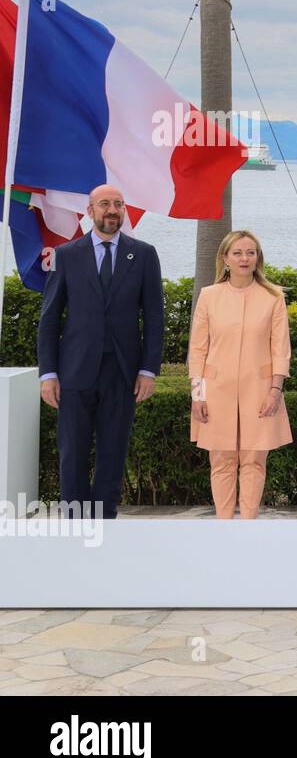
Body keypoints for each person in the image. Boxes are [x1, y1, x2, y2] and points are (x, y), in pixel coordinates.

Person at [37, 184, 164, 518]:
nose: (112, 210)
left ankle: (105, 521)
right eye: (105, 204)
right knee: (73, 452)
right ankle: (76, 524)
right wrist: (48, 374)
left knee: (112, 450)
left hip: (122, 372)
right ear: (90, 211)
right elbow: (50, 319)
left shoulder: (144, 254)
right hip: (75, 371)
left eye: (118, 204)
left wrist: (149, 370)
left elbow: (154, 317)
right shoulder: (67, 255)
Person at [188, 230, 293, 519]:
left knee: (254, 462)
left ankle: (248, 525)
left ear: (258, 257)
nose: (245, 258)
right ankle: (224, 526)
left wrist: (275, 391)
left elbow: (280, 349)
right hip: (215, 391)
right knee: (221, 461)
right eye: (237, 253)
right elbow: (197, 350)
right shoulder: (209, 297)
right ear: (225, 258)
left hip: (259, 391)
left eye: (250, 252)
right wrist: (197, 395)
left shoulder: (273, 297)